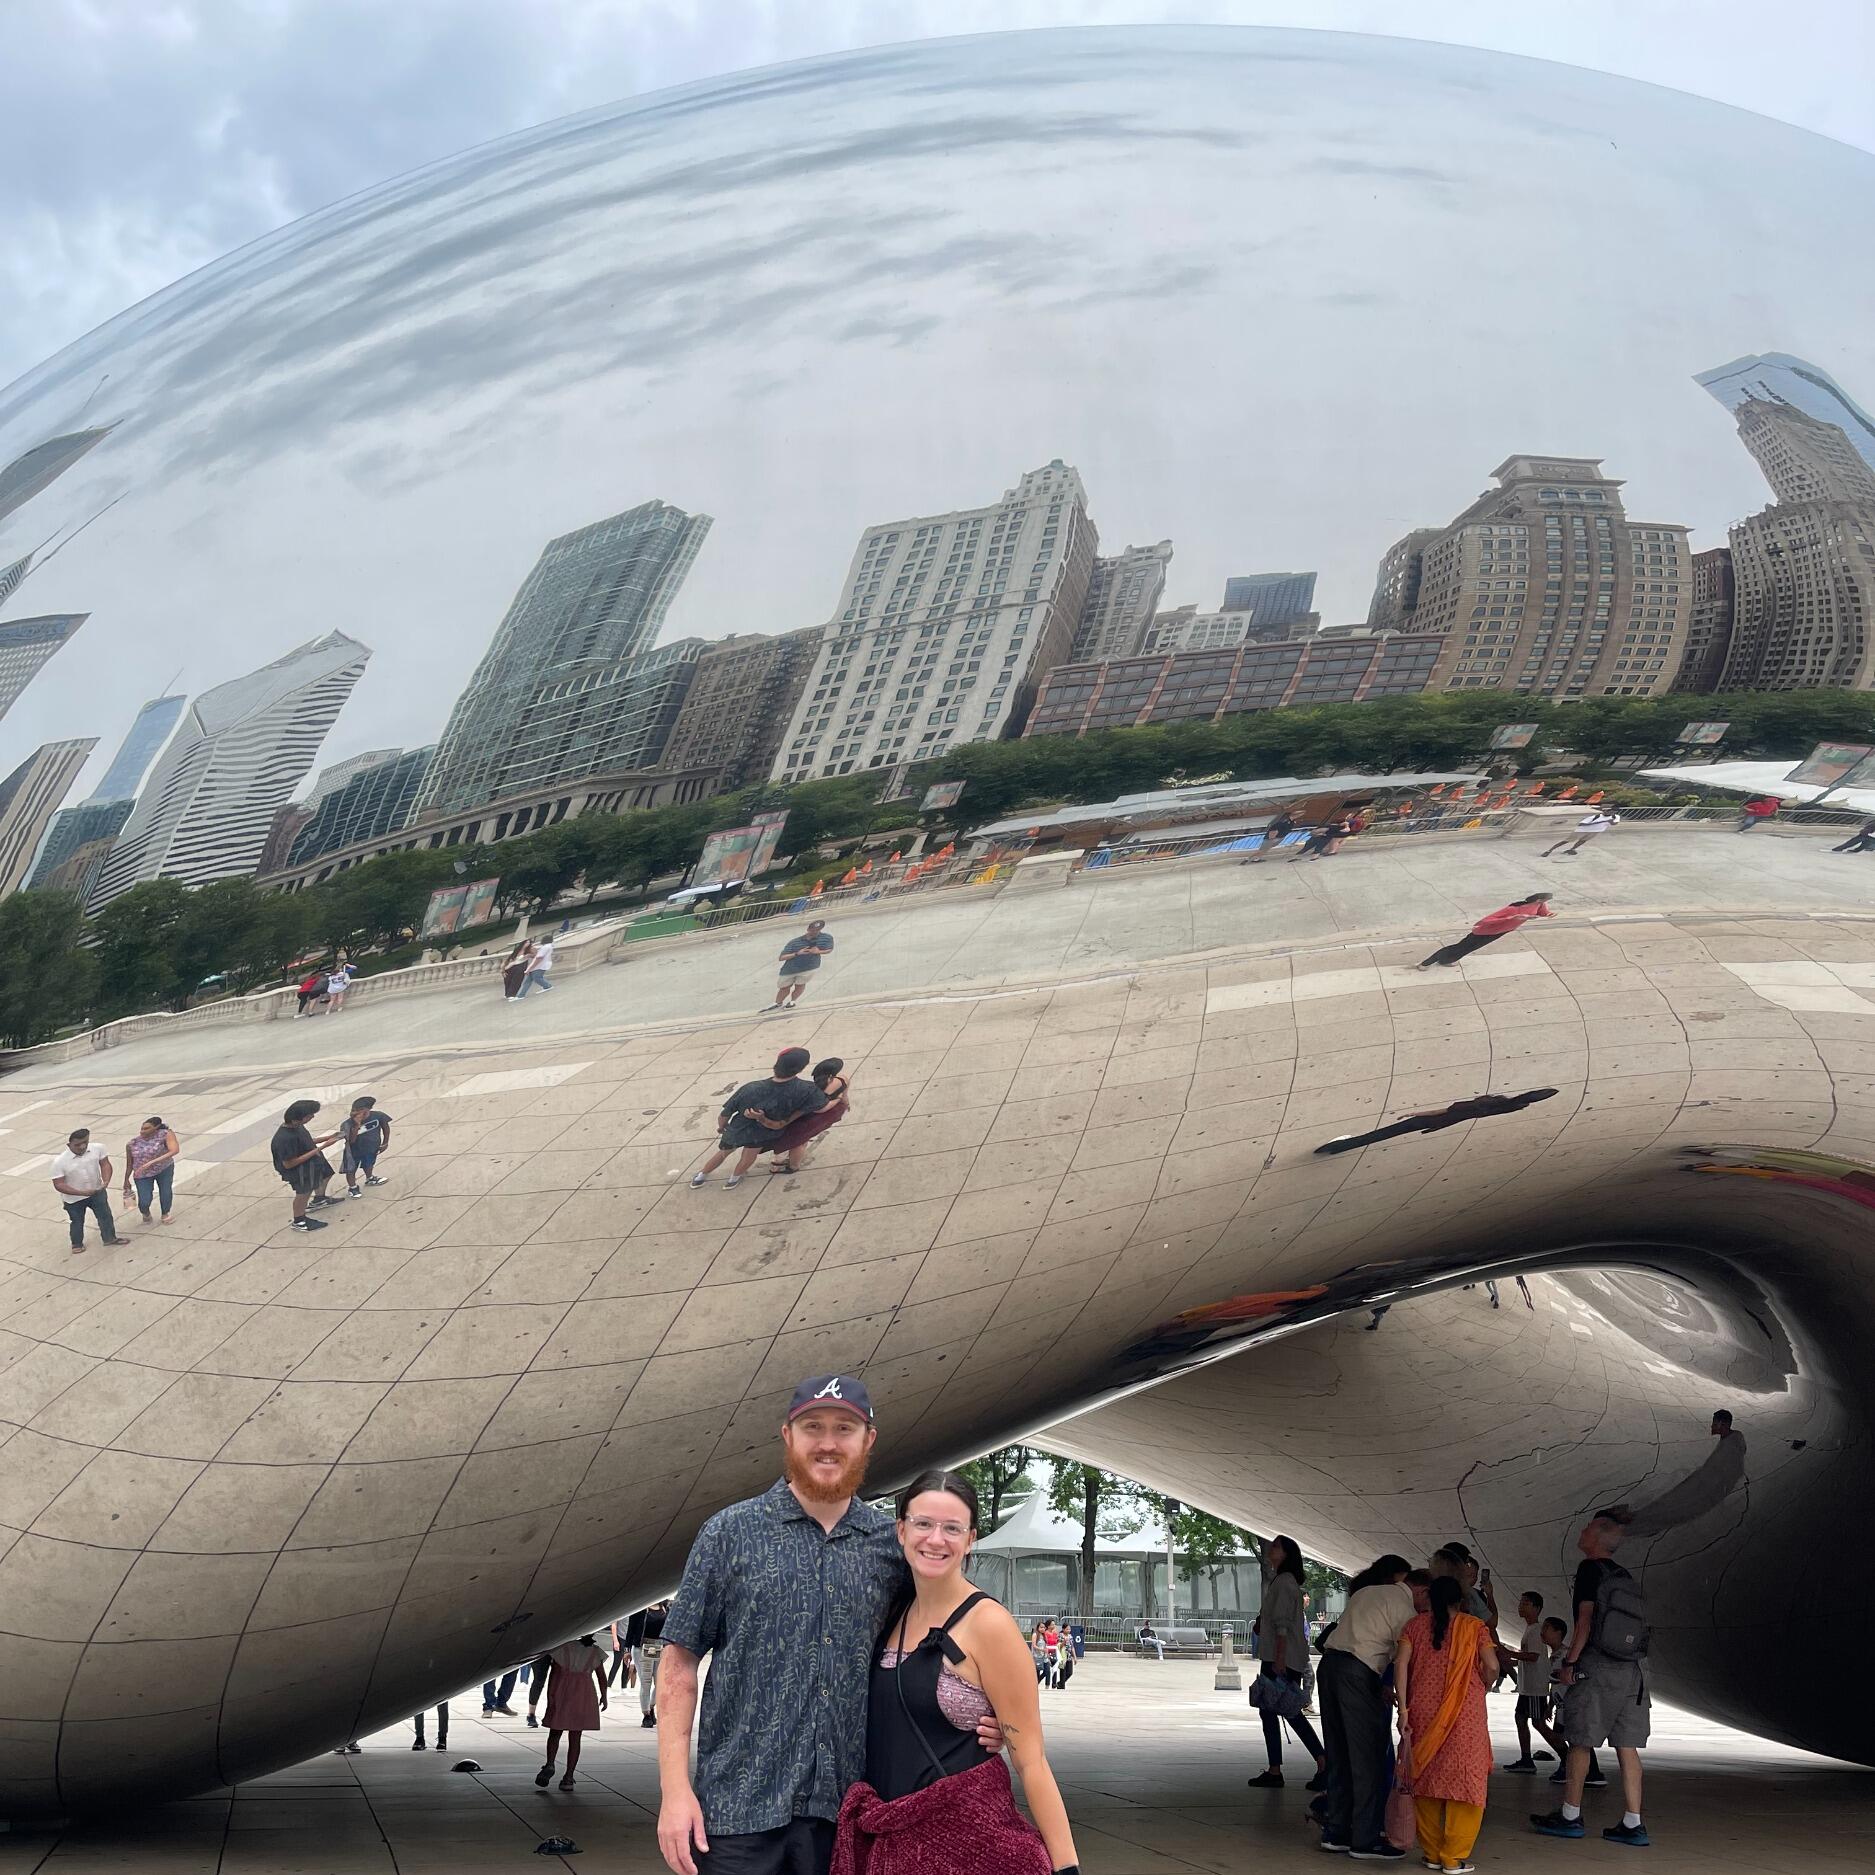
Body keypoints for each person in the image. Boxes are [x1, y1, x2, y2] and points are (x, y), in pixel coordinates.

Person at [655, 1375, 1003, 1875]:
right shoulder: (729, 1533)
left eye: (845, 1428)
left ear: (868, 1440)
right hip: (736, 1812)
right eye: (812, 1427)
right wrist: (674, 1790)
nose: (827, 1442)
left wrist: (989, 1716)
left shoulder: (892, 1546)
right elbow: (679, 1662)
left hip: (846, 1814)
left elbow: (943, 1640)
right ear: (787, 1436)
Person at [829, 1468, 1074, 1875]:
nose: (936, 1539)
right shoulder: (891, 1613)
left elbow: (1031, 1761)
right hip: (890, 1848)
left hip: (971, 1850)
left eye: (952, 1528)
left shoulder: (988, 1624)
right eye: (923, 1523)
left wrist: (1067, 1868)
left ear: (970, 1538)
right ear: (901, 1530)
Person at [1531, 1507, 1650, 1847]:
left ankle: (1570, 1815)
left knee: (1580, 1741)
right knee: (1628, 1748)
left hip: (1598, 1667)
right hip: (1633, 1670)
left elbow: (1585, 1620)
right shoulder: (1624, 1577)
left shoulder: (1589, 1570)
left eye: (1586, 1529)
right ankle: (1633, 1823)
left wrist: (1569, 1661)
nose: (1580, 1533)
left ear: (1597, 1537)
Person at [1317, 1552, 1415, 1858]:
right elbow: (1405, 1656)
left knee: (1340, 1754)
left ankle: (1337, 1832)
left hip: (1330, 1667)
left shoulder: (1365, 1592)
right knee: (1367, 1758)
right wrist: (1400, 1695)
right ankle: (1365, 1838)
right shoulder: (1404, 1605)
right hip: (1359, 1673)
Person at [1395, 1576, 1496, 1874]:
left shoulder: (1414, 1626)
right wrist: (1483, 1685)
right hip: (1466, 1714)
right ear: (1460, 1600)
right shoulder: (1474, 1627)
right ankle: (1452, 1857)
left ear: (1430, 1598)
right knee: (1466, 1780)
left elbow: (1400, 1663)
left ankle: (1431, 1853)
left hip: (1422, 1713)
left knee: (1424, 1777)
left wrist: (1403, 1708)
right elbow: (1491, 1665)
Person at [1247, 1535, 1327, 1791]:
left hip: (1279, 1657)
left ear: (1287, 1554)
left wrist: (1279, 1659)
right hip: (1283, 1655)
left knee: (1281, 1710)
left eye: (1278, 1546)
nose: (1272, 1549)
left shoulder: (1283, 1583)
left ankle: (1316, 1760)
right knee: (1277, 1709)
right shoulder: (1285, 1582)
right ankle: (1284, 1766)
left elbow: (1282, 1625)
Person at [690, 1047, 828, 1189]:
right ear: (800, 1068)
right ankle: (733, 1180)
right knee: (749, 1156)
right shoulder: (807, 1089)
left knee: (723, 1153)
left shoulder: (751, 1088)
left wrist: (721, 1126)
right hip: (763, 1133)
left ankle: (701, 1176)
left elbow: (725, 1113)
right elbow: (821, 1105)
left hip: (738, 1129)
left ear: (777, 1065)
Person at [1315, 1089, 1559, 1154]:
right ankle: (1340, 1148)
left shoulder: (1477, 1105)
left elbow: (1438, 1111)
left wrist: (1412, 1113)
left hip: (1430, 1121)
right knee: (1381, 1137)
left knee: (1377, 1134)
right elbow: (1519, 1103)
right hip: (1438, 1125)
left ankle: (1338, 1145)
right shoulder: (1505, 1109)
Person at [533, 1633, 609, 1791]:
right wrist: (604, 1696)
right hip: (584, 1694)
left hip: (563, 1691)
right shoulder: (594, 1651)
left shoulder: (562, 1648)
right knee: (575, 1737)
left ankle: (550, 1763)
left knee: (555, 1732)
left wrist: (551, 1696)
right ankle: (568, 1776)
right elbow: (601, 1676)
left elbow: (554, 1674)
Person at [1502, 1592, 1564, 1771]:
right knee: (1520, 1718)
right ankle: (1526, 1759)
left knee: (1538, 1723)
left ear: (1537, 1608)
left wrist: (1510, 1654)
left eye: (1526, 1603)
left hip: (1535, 1688)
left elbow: (1534, 1656)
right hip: (1527, 1687)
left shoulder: (1536, 1630)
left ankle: (1565, 1755)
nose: (1521, 1606)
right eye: (1521, 1602)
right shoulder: (1530, 1629)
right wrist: (1514, 1661)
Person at [762, 1058, 853, 1174]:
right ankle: (792, 1161)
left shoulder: (818, 1085)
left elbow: (820, 1107)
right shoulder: (843, 1079)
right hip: (832, 1111)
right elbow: (844, 1096)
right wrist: (844, 1102)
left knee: (798, 1141)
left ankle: (793, 1166)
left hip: (818, 1114)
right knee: (802, 1139)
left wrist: (836, 1100)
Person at [1418, 894, 1554, 969]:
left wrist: (1548, 914)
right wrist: (1513, 917)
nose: (1545, 903)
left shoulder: (1540, 904)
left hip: (1500, 931)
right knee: (1460, 946)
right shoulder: (1514, 909)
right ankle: (1426, 963)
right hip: (1484, 931)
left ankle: (1447, 960)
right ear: (1538, 899)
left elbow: (1543, 912)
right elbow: (1487, 920)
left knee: (1469, 949)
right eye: (1546, 901)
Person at [50, 1128, 126, 1253]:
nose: (82, 1146)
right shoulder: (59, 1162)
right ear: (69, 1145)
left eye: (85, 1142)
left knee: (105, 1216)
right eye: (77, 1145)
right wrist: (81, 1193)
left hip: (97, 1192)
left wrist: (105, 1182)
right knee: (77, 1221)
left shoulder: (98, 1148)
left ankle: (109, 1238)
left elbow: (105, 1164)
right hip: (74, 1199)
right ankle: (76, 1243)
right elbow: (59, 1184)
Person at [271, 1098, 341, 1231]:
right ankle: (299, 1220)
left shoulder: (297, 1126)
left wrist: (329, 1137)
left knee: (326, 1174)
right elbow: (289, 1164)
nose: (312, 1117)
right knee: (304, 1192)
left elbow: (307, 1140)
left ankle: (319, 1199)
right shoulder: (284, 1139)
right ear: (297, 1119)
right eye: (309, 1115)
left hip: (313, 1161)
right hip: (300, 1169)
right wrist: (322, 1147)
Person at [122, 1116, 180, 1225]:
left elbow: (174, 1150)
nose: (142, 1131)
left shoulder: (165, 1134)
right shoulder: (132, 1144)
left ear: (156, 1127)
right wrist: (126, 1180)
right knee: (144, 1200)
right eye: (142, 1128)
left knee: (166, 1191)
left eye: (147, 1128)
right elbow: (129, 1164)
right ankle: (145, 1212)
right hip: (143, 1174)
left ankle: (165, 1213)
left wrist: (152, 1162)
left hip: (164, 1168)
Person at [769, 919, 834, 1010]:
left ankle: (793, 1001)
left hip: (810, 967)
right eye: (813, 930)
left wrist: (818, 951)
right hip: (790, 969)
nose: (815, 932)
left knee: (800, 985)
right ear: (808, 929)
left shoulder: (827, 938)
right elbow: (782, 957)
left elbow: (829, 949)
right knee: (784, 987)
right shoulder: (794, 942)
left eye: (818, 930)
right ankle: (778, 1003)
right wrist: (797, 953)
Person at [338, 1095, 392, 1197]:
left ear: (368, 1109)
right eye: (353, 1110)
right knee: (351, 1169)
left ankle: (370, 1178)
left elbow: (386, 1128)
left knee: (369, 1163)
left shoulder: (378, 1116)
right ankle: (353, 1187)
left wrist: (385, 1143)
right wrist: (356, 1125)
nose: (355, 1113)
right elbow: (351, 1140)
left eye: (360, 1110)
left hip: (371, 1147)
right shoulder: (347, 1124)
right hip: (353, 1151)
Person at [1543, 809, 1619, 857]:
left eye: (1612, 812)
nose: (1610, 813)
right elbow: (1581, 824)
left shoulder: (1615, 817)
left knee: (1582, 841)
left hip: (1595, 831)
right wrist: (1594, 823)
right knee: (1566, 840)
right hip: (1581, 830)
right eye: (1608, 811)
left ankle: (1572, 849)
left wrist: (1611, 821)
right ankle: (1549, 850)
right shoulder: (1596, 816)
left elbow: (1614, 823)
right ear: (1605, 811)